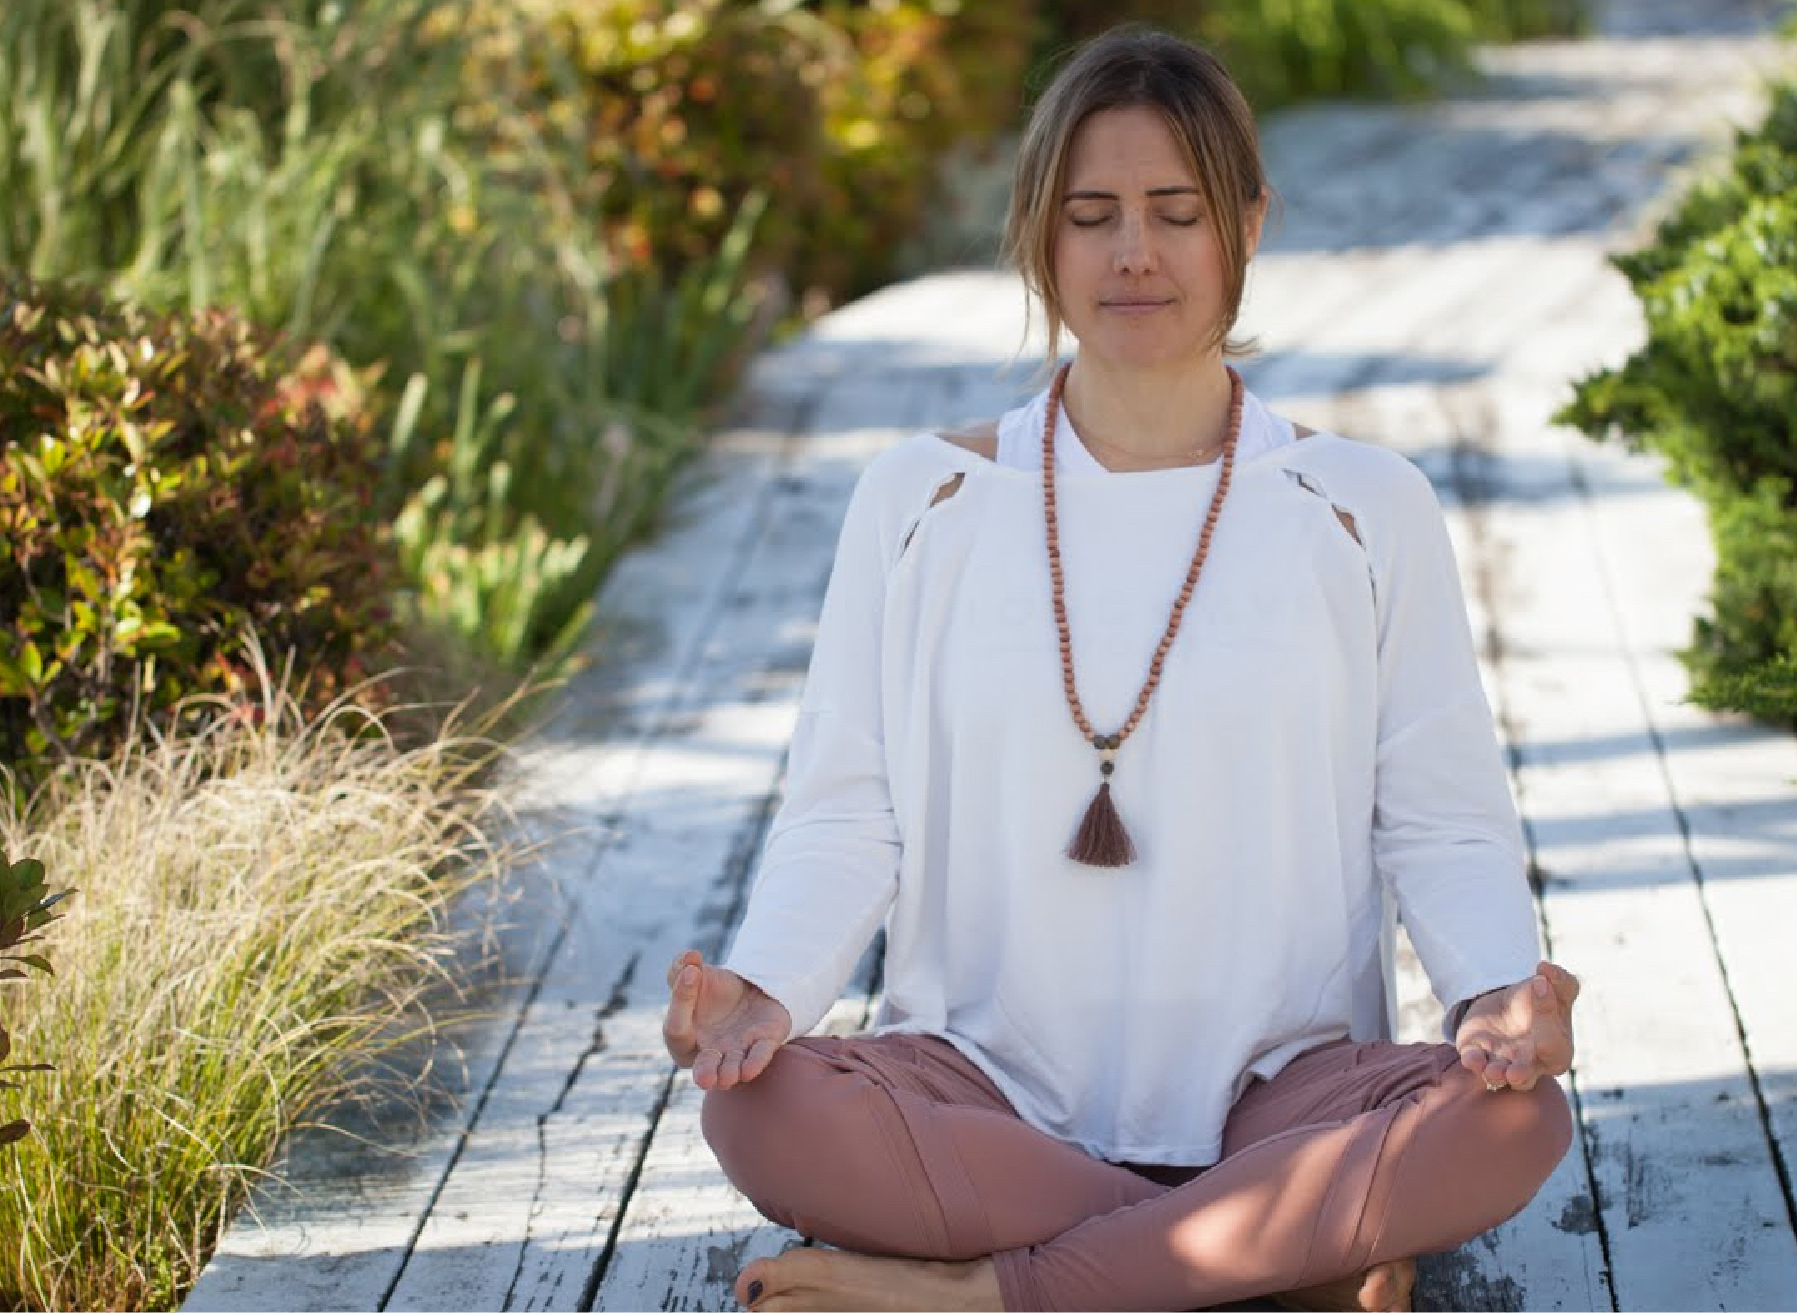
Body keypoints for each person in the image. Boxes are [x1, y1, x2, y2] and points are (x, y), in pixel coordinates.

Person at [660, 23, 1580, 1313]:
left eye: (1176, 213)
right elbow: (845, 808)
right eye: (1092, 215)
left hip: (1282, 1095)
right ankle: (1267, 1259)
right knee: (762, 1115)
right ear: (1040, 235)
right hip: (983, 1091)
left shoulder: (1364, 506)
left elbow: (1439, 818)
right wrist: (762, 989)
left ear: (1248, 225)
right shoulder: (924, 498)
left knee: (1515, 1124)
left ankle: (984, 1293)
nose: (1134, 253)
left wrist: (1495, 998)